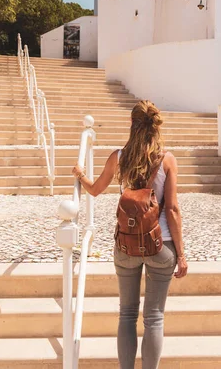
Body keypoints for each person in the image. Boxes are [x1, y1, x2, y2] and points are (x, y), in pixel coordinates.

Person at [72, 100, 188, 369]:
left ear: (132, 124)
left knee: (126, 314)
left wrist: (80, 174)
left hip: (126, 244)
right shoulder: (167, 159)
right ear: (154, 127)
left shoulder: (119, 157)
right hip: (161, 245)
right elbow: (171, 209)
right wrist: (181, 255)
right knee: (155, 317)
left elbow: (96, 189)